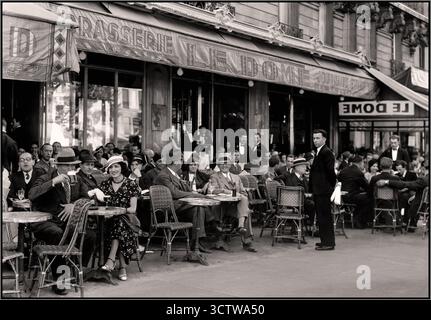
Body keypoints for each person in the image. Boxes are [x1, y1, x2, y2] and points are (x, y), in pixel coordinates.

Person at [28, 147, 96, 295]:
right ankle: (60, 281)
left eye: (73, 165)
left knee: (90, 235)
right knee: (57, 234)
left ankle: (76, 271)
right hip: (45, 222)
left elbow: (89, 199)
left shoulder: (76, 179)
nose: (71, 168)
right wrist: (54, 181)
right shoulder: (46, 177)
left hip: (65, 223)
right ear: (58, 166)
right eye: (68, 165)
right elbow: (31, 194)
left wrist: (74, 205)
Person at [154, 152, 213, 253]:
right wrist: (194, 195)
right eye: (181, 160)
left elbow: (186, 189)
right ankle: (211, 226)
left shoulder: (175, 174)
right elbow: (175, 193)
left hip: (180, 204)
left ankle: (196, 243)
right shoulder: (164, 175)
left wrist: (195, 192)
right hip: (170, 208)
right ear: (175, 162)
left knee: (198, 209)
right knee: (199, 207)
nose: (182, 163)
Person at [98, 156, 142, 281]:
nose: (113, 169)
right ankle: (122, 267)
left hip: (127, 220)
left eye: (116, 166)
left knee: (120, 223)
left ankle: (111, 261)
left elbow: (132, 209)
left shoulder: (131, 184)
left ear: (122, 167)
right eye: (110, 167)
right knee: (118, 226)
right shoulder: (104, 185)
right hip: (107, 221)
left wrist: (118, 212)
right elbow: (101, 205)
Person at [209, 156, 257, 252]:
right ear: (218, 165)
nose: (224, 165)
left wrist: (239, 195)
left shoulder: (236, 177)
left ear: (230, 165)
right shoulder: (214, 176)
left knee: (244, 205)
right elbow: (213, 190)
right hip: (223, 207)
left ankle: (243, 231)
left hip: (236, 207)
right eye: (222, 163)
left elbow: (243, 192)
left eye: (226, 163)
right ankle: (244, 234)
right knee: (245, 211)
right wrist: (229, 193)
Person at [376, 160, 429, 232]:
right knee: (406, 199)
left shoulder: (424, 180)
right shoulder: (425, 179)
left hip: (421, 206)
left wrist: (387, 181)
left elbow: (406, 184)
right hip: (426, 205)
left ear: (424, 169)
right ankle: (407, 223)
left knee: (405, 199)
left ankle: (405, 222)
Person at [309, 129, 336, 251]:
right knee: (321, 216)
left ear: (324, 139)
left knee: (324, 216)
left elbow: (330, 172)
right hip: (320, 189)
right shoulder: (320, 152)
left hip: (323, 190)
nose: (315, 140)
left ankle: (328, 243)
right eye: (314, 138)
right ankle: (325, 241)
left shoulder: (326, 152)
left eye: (318, 138)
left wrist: (328, 186)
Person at [337, 155, 371, 228]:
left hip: (341, 196)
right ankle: (359, 220)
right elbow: (366, 186)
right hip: (351, 196)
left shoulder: (343, 171)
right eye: (363, 163)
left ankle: (353, 218)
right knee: (369, 198)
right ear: (360, 163)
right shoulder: (358, 172)